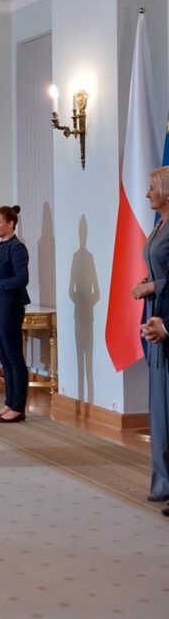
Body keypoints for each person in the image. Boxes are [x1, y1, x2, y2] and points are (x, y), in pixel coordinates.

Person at [133, 167, 169, 511]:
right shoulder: (160, 225)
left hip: (166, 320)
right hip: (155, 319)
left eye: (152, 188)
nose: (146, 194)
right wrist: (148, 282)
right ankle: (163, 483)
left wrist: (153, 286)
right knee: (159, 409)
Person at [0, 205, 30, 423]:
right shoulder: (0, 247)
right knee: (4, 356)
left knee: (13, 356)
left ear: (10, 224)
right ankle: (9, 402)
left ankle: (18, 407)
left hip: (10, 306)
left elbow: (22, 279)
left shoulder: (17, 248)